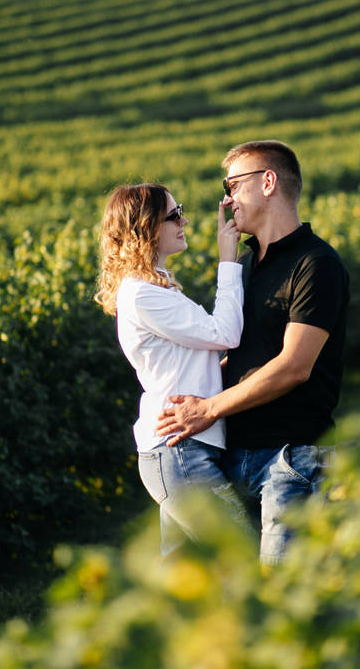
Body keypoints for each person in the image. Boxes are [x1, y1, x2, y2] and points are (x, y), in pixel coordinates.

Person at [156, 140, 350, 565]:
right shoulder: (244, 266)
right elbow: (241, 358)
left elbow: (293, 366)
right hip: (230, 453)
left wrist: (208, 408)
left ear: (268, 182)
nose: (227, 199)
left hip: (290, 459)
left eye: (233, 185)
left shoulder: (316, 264)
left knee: (280, 600)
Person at [95, 183, 250, 560]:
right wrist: (228, 260)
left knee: (182, 576)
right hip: (180, 451)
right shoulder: (142, 294)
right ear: (145, 228)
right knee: (242, 553)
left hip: (182, 447)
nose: (184, 220)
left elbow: (192, 362)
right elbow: (224, 333)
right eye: (173, 215)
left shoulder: (156, 288)